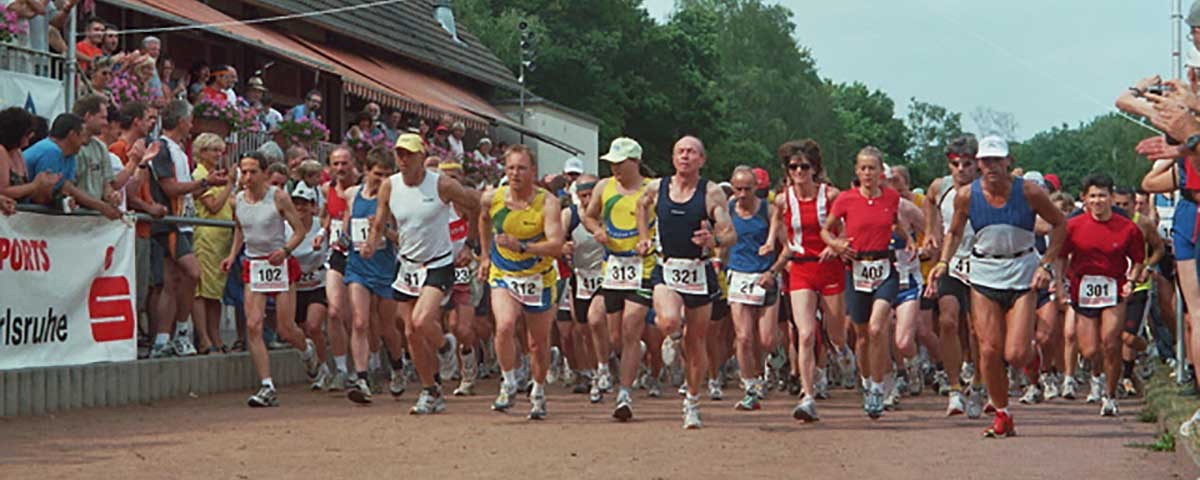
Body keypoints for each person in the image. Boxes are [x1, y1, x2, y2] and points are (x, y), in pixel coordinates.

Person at [928, 135, 1065, 438]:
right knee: (989, 349)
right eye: (986, 161)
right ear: (979, 163)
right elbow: (953, 231)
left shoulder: (1029, 192)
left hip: (1022, 271)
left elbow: (1060, 224)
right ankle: (1002, 413)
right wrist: (943, 262)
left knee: (1015, 354)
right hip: (985, 272)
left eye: (997, 160)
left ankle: (1032, 361)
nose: (991, 166)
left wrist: (1047, 264)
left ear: (1008, 161)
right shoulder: (965, 195)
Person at [367, 133, 479, 414]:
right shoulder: (389, 186)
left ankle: (444, 345)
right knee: (411, 333)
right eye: (399, 154)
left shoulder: (441, 184)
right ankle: (431, 391)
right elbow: (380, 220)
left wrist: (470, 244)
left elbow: (474, 205)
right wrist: (371, 242)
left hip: (438, 263)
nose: (403, 159)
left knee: (420, 321)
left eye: (409, 154)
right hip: (407, 265)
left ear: (421, 156)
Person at [636, 135, 735, 429]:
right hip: (667, 267)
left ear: (702, 160)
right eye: (680, 151)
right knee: (667, 320)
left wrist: (714, 238)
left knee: (697, 342)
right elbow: (641, 206)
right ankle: (673, 336)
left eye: (692, 152)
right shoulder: (657, 187)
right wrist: (644, 237)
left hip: (698, 270)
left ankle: (692, 401)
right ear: (673, 157)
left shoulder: (711, 192)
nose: (685, 156)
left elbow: (730, 233)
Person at [220, 151, 319, 407]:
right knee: (253, 325)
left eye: (253, 171)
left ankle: (307, 351)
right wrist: (232, 256)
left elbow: (298, 231)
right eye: (244, 171)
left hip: (279, 263)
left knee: (285, 329)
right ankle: (267, 385)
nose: (248, 177)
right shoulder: (237, 200)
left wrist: (284, 251)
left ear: (265, 174)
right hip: (254, 264)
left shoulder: (279, 197)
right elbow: (240, 228)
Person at [821, 146, 911, 420]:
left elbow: (896, 224)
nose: (868, 173)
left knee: (876, 328)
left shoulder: (892, 197)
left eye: (873, 168)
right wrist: (836, 244)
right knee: (861, 335)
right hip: (856, 269)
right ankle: (867, 381)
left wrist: (910, 242)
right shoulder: (846, 199)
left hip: (885, 269)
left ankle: (879, 387)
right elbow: (826, 229)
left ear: (881, 171)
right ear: (857, 171)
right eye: (863, 168)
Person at [479, 145, 564, 420]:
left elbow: (556, 246)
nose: (515, 173)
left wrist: (523, 246)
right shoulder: (492, 198)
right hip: (504, 274)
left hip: (538, 277)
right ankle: (509, 382)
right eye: (511, 168)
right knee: (504, 326)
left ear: (533, 172)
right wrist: (484, 256)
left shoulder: (548, 202)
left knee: (537, 343)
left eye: (522, 168)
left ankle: (538, 391)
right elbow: (482, 221)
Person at [145, 100, 229, 358]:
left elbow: (183, 188)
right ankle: (181, 332)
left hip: (183, 222)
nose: (192, 125)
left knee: (173, 281)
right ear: (181, 121)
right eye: (190, 120)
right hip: (172, 223)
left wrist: (206, 183)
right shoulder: (162, 149)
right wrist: (204, 182)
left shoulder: (178, 151)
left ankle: (162, 339)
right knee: (192, 274)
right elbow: (169, 188)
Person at [580, 137, 656, 414]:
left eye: (619, 163)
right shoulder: (604, 187)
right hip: (613, 267)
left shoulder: (652, 189)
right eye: (611, 163)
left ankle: (624, 394)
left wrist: (651, 243)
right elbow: (589, 216)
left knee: (631, 326)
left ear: (635, 162)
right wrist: (596, 230)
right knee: (612, 334)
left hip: (642, 268)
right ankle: (624, 360)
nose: (614, 169)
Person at [1062, 173, 1146, 417]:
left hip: (1114, 288)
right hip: (1083, 290)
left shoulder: (1128, 228)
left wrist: (1131, 281)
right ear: (1084, 199)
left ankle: (1110, 396)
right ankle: (1096, 376)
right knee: (1090, 350)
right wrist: (1059, 281)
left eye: (1102, 196)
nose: (1098, 201)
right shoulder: (1073, 226)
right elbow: (1060, 256)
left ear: (1111, 197)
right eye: (1093, 196)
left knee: (1111, 341)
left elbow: (1139, 259)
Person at [771, 139, 844, 421]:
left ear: (815, 169)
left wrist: (834, 244)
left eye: (805, 166)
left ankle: (841, 350)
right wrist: (776, 249)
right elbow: (779, 225)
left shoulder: (832, 195)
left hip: (829, 267)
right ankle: (807, 395)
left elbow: (846, 229)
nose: (799, 171)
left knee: (836, 333)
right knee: (805, 333)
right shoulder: (783, 198)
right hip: (801, 267)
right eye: (793, 167)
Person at [342, 147, 409, 404]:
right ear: (366, 171)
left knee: (387, 328)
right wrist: (342, 240)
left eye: (387, 175)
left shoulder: (394, 201)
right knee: (360, 321)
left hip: (385, 270)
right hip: (358, 266)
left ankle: (397, 366)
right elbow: (348, 222)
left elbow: (401, 238)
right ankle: (361, 378)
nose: (383, 180)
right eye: (378, 174)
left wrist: (381, 230)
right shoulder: (352, 194)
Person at [922, 135, 982, 416]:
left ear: (977, 165)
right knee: (947, 320)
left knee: (977, 329)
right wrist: (931, 233)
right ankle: (955, 387)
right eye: (955, 164)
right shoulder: (940, 187)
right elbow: (930, 204)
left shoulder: (987, 189)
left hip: (982, 263)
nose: (961, 170)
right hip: (953, 261)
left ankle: (980, 382)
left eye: (967, 164)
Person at [725, 166, 779, 412]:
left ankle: (769, 365)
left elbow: (788, 247)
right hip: (738, 276)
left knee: (766, 340)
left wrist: (772, 271)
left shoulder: (769, 210)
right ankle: (750, 387)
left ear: (757, 188)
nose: (743, 194)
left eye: (748, 189)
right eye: (738, 189)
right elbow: (721, 238)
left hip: (765, 276)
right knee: (744, 337)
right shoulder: (727, 209)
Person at [23, 113, 120, 219]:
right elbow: (40, 198)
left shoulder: (70, 154)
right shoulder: (51, 151)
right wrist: (101, 207)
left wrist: (66, 199)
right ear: (72, 135)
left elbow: (68, 187)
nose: (83, 142)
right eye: (82, 135)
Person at [317, 146, 358, 390]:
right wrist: (322, 233)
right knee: (334, 312)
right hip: (338, 255)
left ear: (352, 164)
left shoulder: (363, 189)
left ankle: (367, 367)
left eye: (344, 163)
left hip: (363, 257)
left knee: (360, 319)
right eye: (336, 164)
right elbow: (327, 215)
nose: (341, 168)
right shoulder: (327, 189)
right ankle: (341, 369)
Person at [286, 181, 333, 389]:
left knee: (314, 326)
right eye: (295, 203)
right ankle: (312, 360)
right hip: (296, 286)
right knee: (300, 330)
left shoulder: (319, 227)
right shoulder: (286, 228)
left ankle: (325, 369)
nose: (300, 208)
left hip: (318, 282)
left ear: (313, 205)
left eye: (304, 203)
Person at [191, 133, 234, 354]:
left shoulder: (215, 174)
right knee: (202, 289)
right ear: (203, 152)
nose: (219, 155)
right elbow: (213, 205)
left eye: (220, 150)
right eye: (214, 150)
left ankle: (216, 336)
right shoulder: (200, 174)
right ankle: (204, 337)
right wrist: (229, 185)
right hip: (206, 237)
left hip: (222, 239)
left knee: (215, 291)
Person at [0, 107, 56, 203]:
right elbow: (3, 191)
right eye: (25, 136)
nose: (26, 143)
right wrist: (35, 185)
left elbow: (26, 193)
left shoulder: (18, 152)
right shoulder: (1, 151)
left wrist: (45, 187)